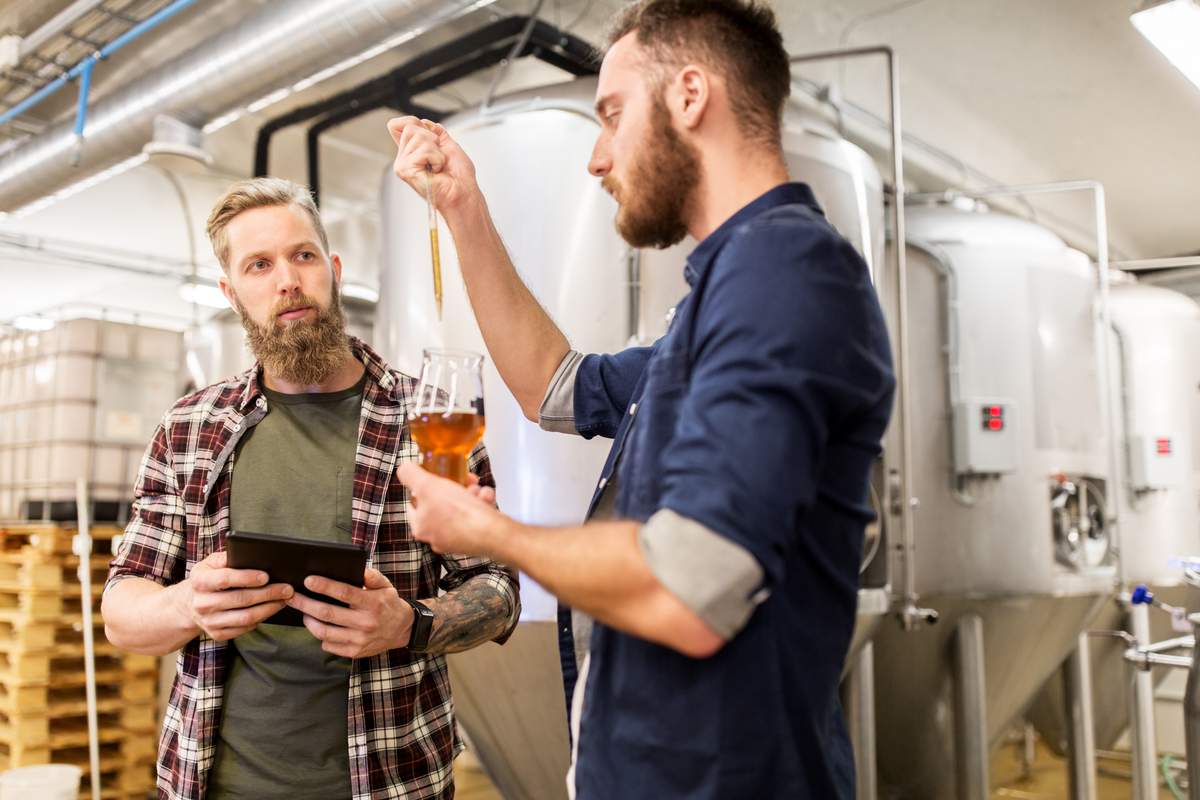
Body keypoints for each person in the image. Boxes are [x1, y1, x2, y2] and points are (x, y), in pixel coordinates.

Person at [388, 0, 896, 797]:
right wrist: (464, 208)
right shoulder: (719, 299)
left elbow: (687, 585)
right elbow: (552, 386)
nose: (598, 157)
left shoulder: (784, 274)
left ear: (690, 96)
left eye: (613, 115)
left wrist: (491, 532)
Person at [101, 177, 520, 800]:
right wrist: (188, 604)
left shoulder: (432, 420)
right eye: (259, 265)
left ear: (334, 267)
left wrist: (409, 624)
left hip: (393, 778)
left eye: (303, 255)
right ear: (231, 292)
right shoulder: (189, 429)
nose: (287, 281)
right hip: (213, 781)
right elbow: (121, 612)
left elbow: (498, 587)